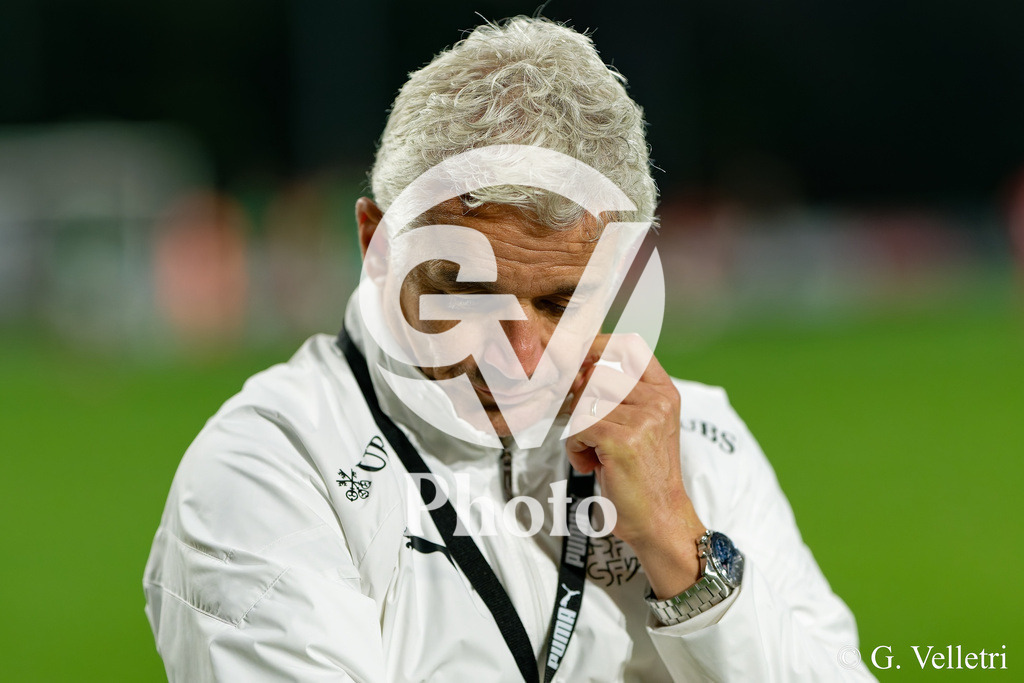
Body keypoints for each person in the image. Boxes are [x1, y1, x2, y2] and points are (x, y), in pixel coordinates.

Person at [144, 16, 875, 682]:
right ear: (375, 244)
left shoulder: (695, 443)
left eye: (564, 302)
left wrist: (681, 548)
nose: (519, 357)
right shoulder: (272, 467)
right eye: (464, 295)